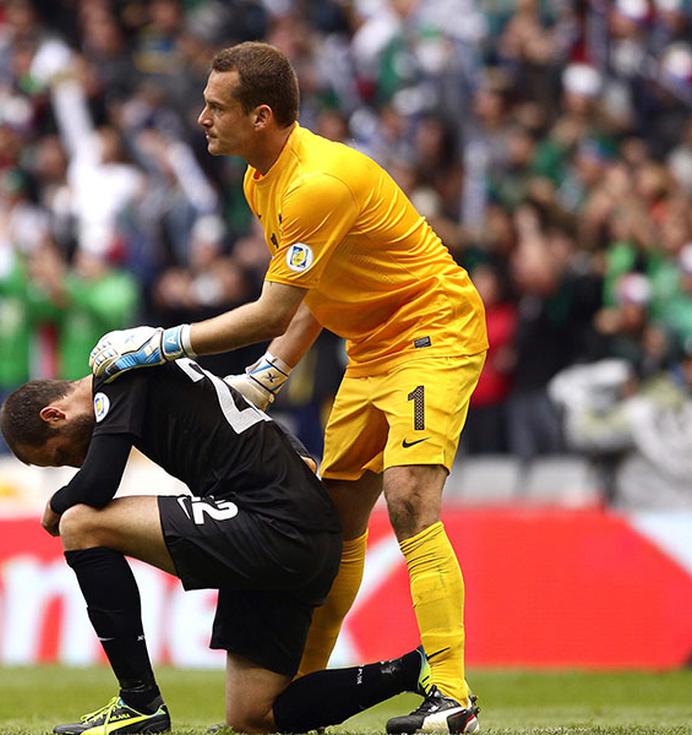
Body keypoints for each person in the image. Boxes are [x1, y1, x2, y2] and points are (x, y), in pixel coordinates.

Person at [90, 42, 487, 734]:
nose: (202, 117)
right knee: (335, 523)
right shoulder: (259, 179)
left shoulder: (314, 182)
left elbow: (272, 307)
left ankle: (450, 691)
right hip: (368, 346)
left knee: (409, 495)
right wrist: (273, 371)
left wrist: (161, 341)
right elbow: (313, 291)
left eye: (216, 106)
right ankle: (296, 697)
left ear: (261, 115)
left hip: (433, 329)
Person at [0, 362, 443, 734]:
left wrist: (55, 506)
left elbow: (97, 483)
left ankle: (138, 701)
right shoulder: (146, 372)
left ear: (53, 415)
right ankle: (409, 669)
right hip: (297, 534)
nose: (73, 462)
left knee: (80, 522)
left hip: (272, 522)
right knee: (253, 715)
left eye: (59, 457)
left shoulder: (118, 376)